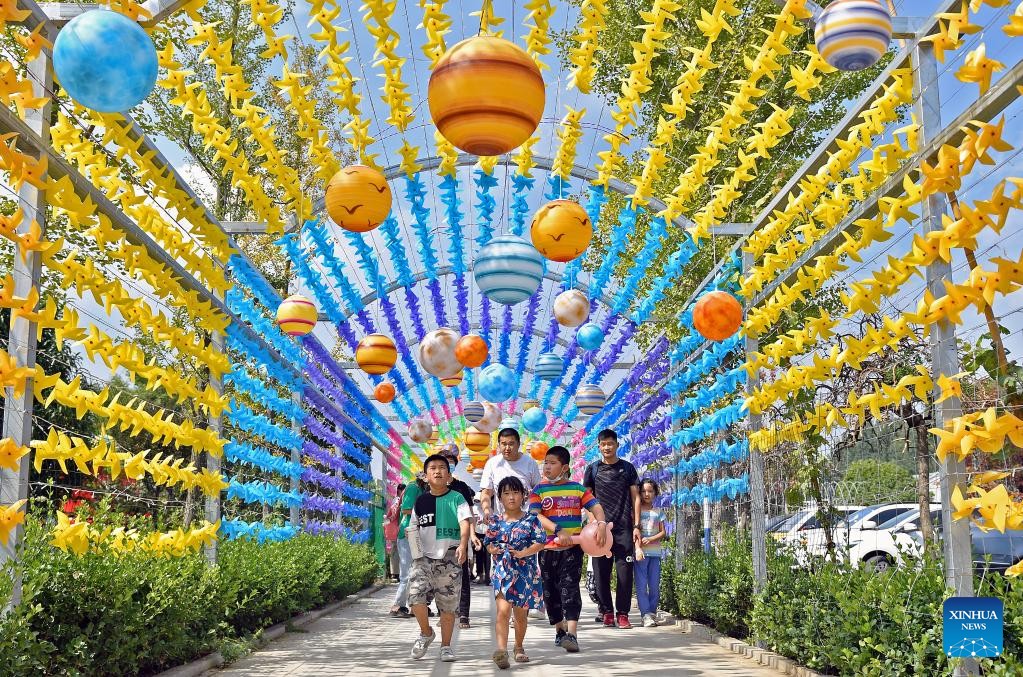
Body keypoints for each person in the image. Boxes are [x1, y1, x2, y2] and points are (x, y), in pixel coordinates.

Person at [530, 445, 606, 653]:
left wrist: (600, 524)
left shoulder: (578, 489)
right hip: (546, 549)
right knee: (551, 592)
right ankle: (560, 630)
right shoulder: (538, 490)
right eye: (545, 462)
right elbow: (535, 515)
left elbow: (596, 507)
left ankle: (572, 634)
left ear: (564, 467)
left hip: (572, 549)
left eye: (552, 463)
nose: (547, 467)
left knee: (570, 588)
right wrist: (557, 529)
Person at [408, 454, 471, 662]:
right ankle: (426, 633)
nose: (437, 471)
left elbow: (464, 523)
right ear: (426, 476)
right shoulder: (421, 501)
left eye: (442, 467)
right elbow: (413, 527)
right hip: (423, 559)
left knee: (447, 606)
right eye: (432, 468)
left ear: (449, 474)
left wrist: (463, 544)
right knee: (415, 598)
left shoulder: (457, 498)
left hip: (450, 558)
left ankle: (446, 647)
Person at [484, 476, 549, 669]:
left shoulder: (532, 519)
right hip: (502, 572)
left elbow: (541, 541)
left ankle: (518, 647)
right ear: (500, 498)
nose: (511, 497)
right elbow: (488, 543)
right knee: (502, 612)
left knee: (520, 615)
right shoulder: (495, 521)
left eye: (515, 492)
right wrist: (492, 550)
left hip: (525, 573)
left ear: (523, 496)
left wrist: (523, 553)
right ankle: (501, 651)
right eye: (506, 493)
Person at [583, 429, 640, 629]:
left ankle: (623, 613)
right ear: (599, 446)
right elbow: (587, 500)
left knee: (625, 573)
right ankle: (606, 611)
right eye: (603, 444)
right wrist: (594, 524)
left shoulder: (627, 468)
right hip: (601, 530)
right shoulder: (592, 470)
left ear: (617, 445)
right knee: (601, 573)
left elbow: (636, 498)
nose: (607, 447)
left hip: (623, 528)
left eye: (610, 443)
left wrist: (636, 525)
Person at [439, 446, 481, 629]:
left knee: (462, 576)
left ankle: (463, 614)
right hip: (438, 540)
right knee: (441, 578)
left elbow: (469, 513)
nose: (447, 467)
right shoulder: (431, 488)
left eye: (450, 464)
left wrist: (472, 534)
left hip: (459, 538)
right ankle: (444, 614)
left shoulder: (461, 487)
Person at [479, 428, 543, 519]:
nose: (507, 448)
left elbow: (539, 490)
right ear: (499, 445)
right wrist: (486, 510)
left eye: (511, 444)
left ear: (518, 445)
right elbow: (486, 492)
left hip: (527, 520)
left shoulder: (530, 463)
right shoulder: (492, 463)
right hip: (503, 520)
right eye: (504, 444)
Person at [390, 476, 425, 618]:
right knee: (406, 574)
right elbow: (406, 509)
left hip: (416, 535)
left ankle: (413, 606)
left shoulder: (422, 488)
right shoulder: (413, 487)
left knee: (416, 573)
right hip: (407, 534)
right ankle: (397, 606)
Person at [635, 479, 667, 628]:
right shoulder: (635, 511)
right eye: (643, 491)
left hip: (655, 554)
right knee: (641, 585)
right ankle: (645, 614)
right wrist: (638, 548)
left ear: (655, 493)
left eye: (650, 491)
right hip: (640, 554)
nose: (647, 494)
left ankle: (652, 613)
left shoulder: (658, 512)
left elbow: (663, 532)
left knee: (654, 585)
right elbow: (633, 532)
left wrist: (651, 539)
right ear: (639, 493)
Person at [384, 483, 405, 583]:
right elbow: (395, 514)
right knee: (397, 551)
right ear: (401, 491)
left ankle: (395, 574)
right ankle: (396, 574)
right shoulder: (398, 501)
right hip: (397, 529)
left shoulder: (395, 500)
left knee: (395, 551)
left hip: (394, 529)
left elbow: (390, 515)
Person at [472, 498, 491, 585]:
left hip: (488, 534)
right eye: (477, 500)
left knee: (487, 556)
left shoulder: (490, 509)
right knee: (479, 556)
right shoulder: (474, 508)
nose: (478, 502)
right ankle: (480, 575)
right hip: (477, 534)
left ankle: (487, 576)